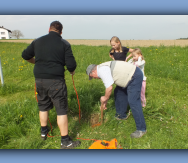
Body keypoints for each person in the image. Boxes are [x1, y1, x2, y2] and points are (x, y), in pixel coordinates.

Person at [21, 21, 81, 149]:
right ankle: (65, 141)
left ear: (49, 29)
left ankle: (44, 133)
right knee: (61, 110)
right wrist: (71, 70)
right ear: (61, 32)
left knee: (43, 106)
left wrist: (36, 62)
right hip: (56, 81)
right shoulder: (64, 43)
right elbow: (71, 65)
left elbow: (25, 55)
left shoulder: (37, 41)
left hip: (39, 80)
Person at [86, 61, 147, 138]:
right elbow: (109, 87)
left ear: (93, 71)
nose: (94, 78)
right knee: (118, 92)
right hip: (128, 77)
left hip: (134, 76)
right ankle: (121, 115)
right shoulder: (102, 68)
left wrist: (104, 97)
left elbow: (109, 87)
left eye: (92, 76)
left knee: (133, 101)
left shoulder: (102, 70)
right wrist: (106, 100)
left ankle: (141, 129)